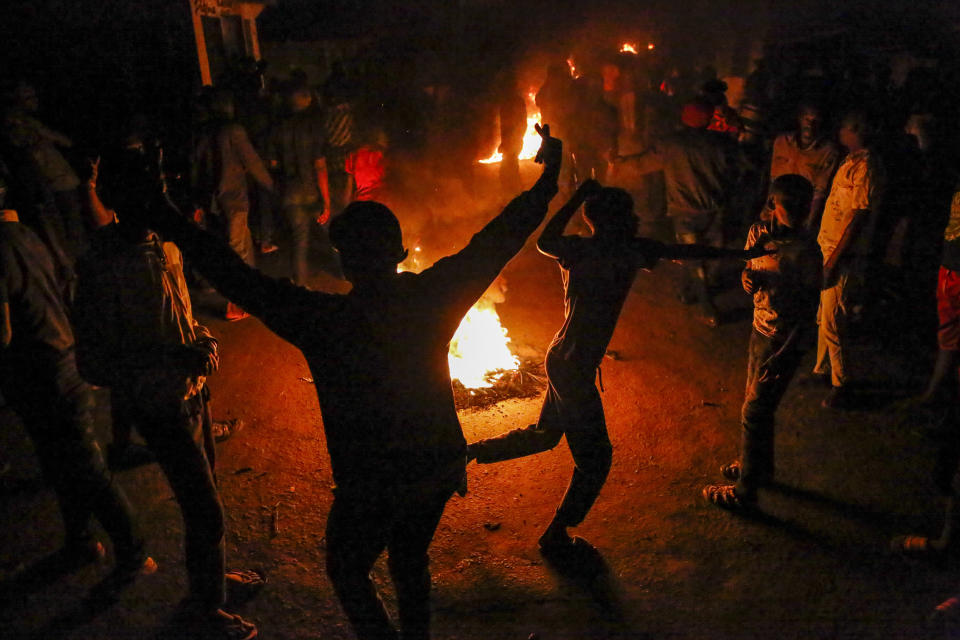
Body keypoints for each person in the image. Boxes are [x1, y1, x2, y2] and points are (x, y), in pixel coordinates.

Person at [131, 123, 562, 640]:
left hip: (371, 478)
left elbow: (235, 276)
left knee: (347, 567)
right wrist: (548, 179)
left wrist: (167, 216)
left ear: (342, 260)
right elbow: (497, 240)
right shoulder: (431, 298)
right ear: (399, 254)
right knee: (409, 560)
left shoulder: (321, 320)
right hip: (434, 465)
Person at [467, 180, 771, 555]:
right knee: (595, 460)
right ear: (614, 220)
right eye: (629, 213)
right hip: (574, 366)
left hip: (563, 358)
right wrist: (740, 253)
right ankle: (555, 536)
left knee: (545, 436)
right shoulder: (627, 251)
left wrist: (578, 196)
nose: (636, 217)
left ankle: (467, 453)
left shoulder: (582, 249)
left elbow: (548, 240)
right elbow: (685, 251)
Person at [73, 148, 258, 639]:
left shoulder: (166, 246)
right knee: (203, 507)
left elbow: (184, 315)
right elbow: (93, 362)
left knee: (209, 495)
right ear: (117, 198)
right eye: (148, 191)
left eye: (160, 189)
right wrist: (169, 361)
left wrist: (204, 341)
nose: (160, 199)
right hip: (158, 406)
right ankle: (205, 610)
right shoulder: (102, 266)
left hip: (192, 393)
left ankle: (214, 582)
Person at [0, 173, 150, 603]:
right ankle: (81, 542)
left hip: (42, 370)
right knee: (63, 461)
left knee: (84, 466)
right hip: (59, 358)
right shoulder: (25, 233)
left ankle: (134, 548)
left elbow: (3, 334)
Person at [701, 175, 822, 509]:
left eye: (804, 205)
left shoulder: (806, 251)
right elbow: (750, 267)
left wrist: (787, 351)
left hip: (783, 339)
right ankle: (757, 468)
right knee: (757, 406)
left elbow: (810, 305)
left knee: (754, 410)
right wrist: (746, 279)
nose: (798, 212)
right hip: (761, 329)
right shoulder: (759, 233)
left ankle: (745, 493)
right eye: (790, 205)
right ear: (772, 204)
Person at [614, 99, 744, 327]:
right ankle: (691, 290)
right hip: (715, 212)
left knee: (693, 257)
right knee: (711, 255)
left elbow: (642, 164)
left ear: (684, 118)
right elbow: (738, 170)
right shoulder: (721, 143)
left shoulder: (672, 144)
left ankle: (706, 306)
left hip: (685, 214)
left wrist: (619, 162)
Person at [814, 111, 882, 409]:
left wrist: (834, 261)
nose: (839, 130)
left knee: (832, 321)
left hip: (840, 254)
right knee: (822, 316)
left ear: (855, 130)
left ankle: (842, 384)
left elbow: (858, 219)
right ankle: (821, 370)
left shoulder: (865, 167)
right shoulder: (850, 161)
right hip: (827, 247)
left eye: (843, 126)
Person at [191, 89, 274, 321]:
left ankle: (255, 292)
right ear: (226, 105)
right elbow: (253, 163)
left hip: (212, 201)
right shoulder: (233, 130)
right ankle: (235, 306)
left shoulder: (203, 132)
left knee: (240, 244)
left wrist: (198, 202)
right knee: (236, 251)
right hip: (233, 199)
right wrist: (272, 187)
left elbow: (194, 169)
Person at [266, 82, 333, 285]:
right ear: (306, 99)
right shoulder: (313, 126)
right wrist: (327, 201)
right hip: (311, 190)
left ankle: (301, 287)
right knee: (332, 234)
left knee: (299, 243)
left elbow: (273, 163)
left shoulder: (278, 127)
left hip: (290, 191)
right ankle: (351, 276)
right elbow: (320, 166)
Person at [767, 102, 841, 230]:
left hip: (798, 214)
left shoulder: (828, 151)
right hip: (775, 211)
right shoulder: (782, 141)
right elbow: (773, 179)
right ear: (800, 119)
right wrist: (767, 208)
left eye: (815, 120)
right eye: (807, 119)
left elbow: (820, 191)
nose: (810, 124)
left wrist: (809, 221)